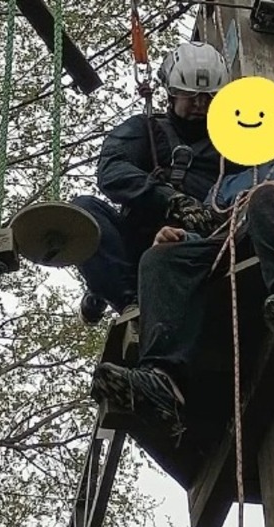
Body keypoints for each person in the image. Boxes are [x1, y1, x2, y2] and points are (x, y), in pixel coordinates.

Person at [89, 135, 274, 437]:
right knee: (161, 256)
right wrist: (183, 239)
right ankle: (162, 377)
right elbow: (214, 232)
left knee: (267, 197)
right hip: (241, 239)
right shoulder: (224, 186)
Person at [70, 42, 249, 324]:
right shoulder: (146, 129)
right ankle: (129, 303)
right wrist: (168, 198)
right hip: (138, 242)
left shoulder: (234, 147)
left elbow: (258, 182)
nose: (200, 105)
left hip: (195, 247)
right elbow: (112, 170)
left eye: (208, 97)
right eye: (191, 96)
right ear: (171, 92)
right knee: (83, 211)